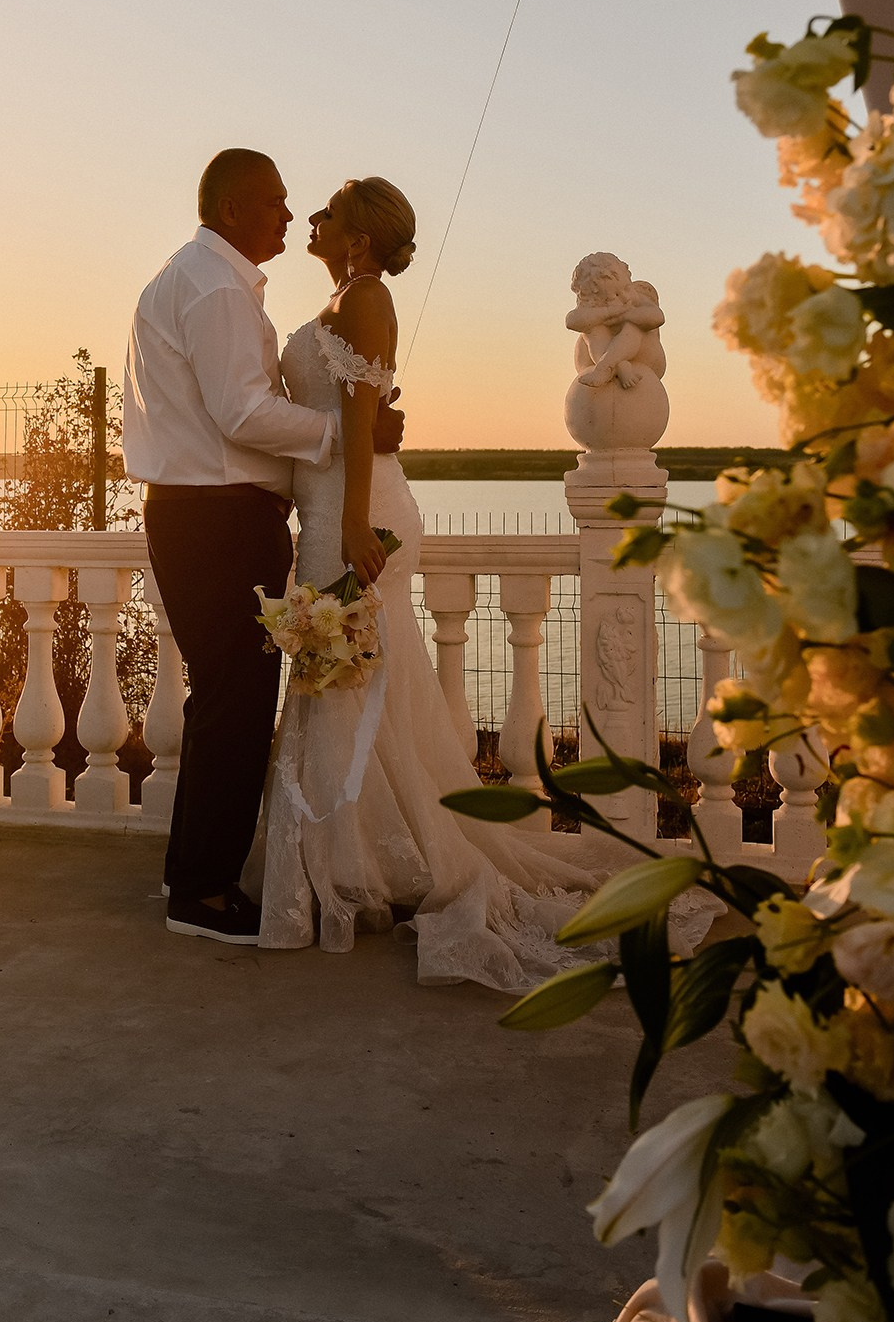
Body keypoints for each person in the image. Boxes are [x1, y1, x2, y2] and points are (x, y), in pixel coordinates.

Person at [248, 178, 717, 988]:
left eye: (327, 211)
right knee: (351, 687)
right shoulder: (339, 300)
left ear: (357, 237)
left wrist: (353, 525)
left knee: (344, 675)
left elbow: (361, 421)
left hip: (354, 513)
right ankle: (353, 865)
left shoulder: (365, 299)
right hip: (330, 507)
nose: (312, 221)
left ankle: (340, 874)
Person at [122, 148, 403, 945]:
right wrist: (349, 434)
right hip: (217, 519)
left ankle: (194, 877)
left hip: (201, 513)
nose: (289, 214)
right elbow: (242, 414)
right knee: (235, 707)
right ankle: (203, 896)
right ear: (237, 209)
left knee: (222, 702)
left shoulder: (196, 278)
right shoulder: (214, 289)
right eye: (277, 202)